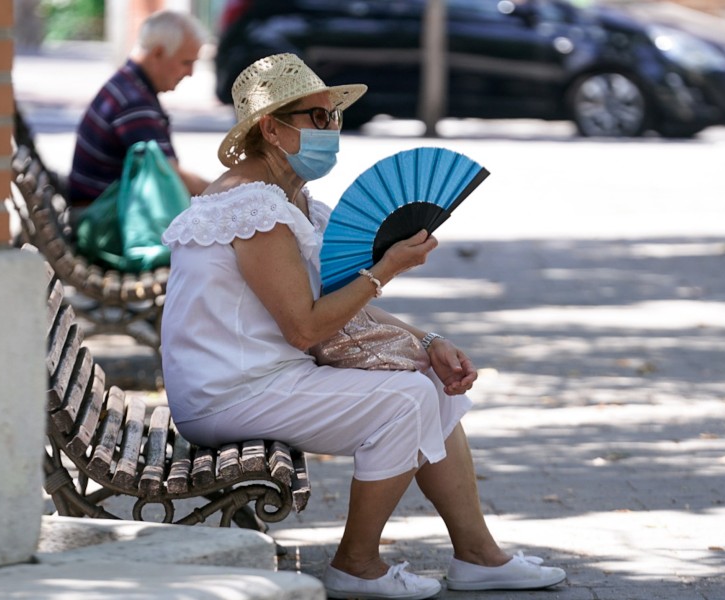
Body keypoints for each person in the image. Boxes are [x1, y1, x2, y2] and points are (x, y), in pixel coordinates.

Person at [160, 53, 567, 600]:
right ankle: (356, 564)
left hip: (264, 378)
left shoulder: (292, 199)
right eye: (318, 118)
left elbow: (337, 301)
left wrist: (427, 342)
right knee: (405, 400)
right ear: (271, 128)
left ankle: (478, 556)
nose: (333, 130)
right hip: (228, 394)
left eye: (335, 117)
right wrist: (386, 269)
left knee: (430, 384)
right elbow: (305, 328)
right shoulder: (252, 209)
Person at [66, 9, 210, 225]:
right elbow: (170, 177)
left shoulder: (128, 84)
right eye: (186, 62)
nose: (190, 73)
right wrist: (223, 191)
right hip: (103, 222)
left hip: (102, 210)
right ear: (158, 53)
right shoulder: (133, 101)